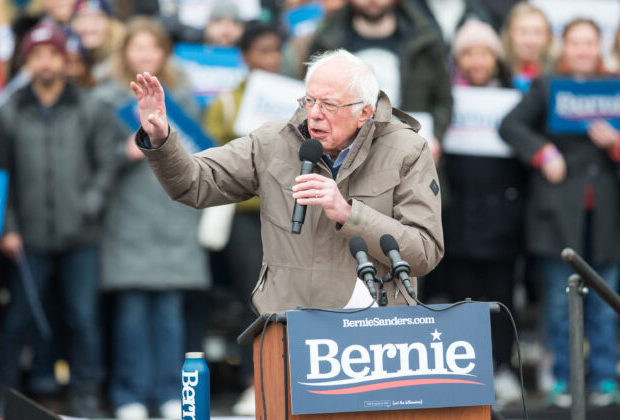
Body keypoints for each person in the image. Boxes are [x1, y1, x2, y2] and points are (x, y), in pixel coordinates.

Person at [131, 48, 443, 314]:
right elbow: (195, 183)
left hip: (373, 333)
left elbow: (424, 251)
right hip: (288, 323)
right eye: (309, 101)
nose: (315, 114)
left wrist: (350, 214)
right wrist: (162, 140)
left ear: (365, 112)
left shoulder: (408, 150)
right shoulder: (272, 141)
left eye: (329, 105)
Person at [499, 18, 620, 408]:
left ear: (600, 47)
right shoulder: (547, 86)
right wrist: (543, 153)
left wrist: (618, 142)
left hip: (607, 216)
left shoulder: (618, 86)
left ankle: (605, 379)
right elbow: (510, 125)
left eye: (590, 43)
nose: (583, 50)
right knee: (559, 303)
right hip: (557, 216)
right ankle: (563, 381)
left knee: (604, 303)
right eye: (575, 43)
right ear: (563, 47)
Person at [0, 21, 121, 418]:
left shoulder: (90, 106)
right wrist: (7, 228)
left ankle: (85, 395)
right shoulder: (8, 112)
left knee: (83, 318)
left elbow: (109, 160)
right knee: (17, 321)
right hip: (27, 236)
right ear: (27, 62)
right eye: (37, 55)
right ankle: (1, 395)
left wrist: (90, 202)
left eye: (52, 55)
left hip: (81, 233)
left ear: (66, 60)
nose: (45, 63)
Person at [92, 16, 209, 420]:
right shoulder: (105, 99)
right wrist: (119, 153)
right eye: (136, 47)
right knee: (131, 313)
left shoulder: (186, 100)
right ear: (125, 52)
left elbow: (203, 161)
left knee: (169, 311)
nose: (144, 54)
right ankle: (129, 395)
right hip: (125, 219)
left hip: (174, 218)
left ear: (164, 52)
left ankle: (169, 392)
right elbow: (88, 162)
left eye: (152, 47)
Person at [428, 17, 524, 407]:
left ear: (496, 57)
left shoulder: (515, 99)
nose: (476, 60)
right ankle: (469, 370)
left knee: (500, 296)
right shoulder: (447, 99)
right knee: (463, 298)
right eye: (468, 53)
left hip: (502, 215)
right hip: (458, 214)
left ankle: (503, 367)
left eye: (483, 52)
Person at [202, 20, 282, 416]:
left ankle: (287, 378)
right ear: (245, 56)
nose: (271, 59)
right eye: (262, 51)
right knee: (255, 296)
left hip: (291, 214)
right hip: (246, 216)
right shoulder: (228, 103)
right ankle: (256, 381)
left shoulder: (297, 99)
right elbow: (211, 155)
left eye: (275, 50)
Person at [307, 0, 453, 163]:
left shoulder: (424, 38)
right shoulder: (327, 38)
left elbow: (443, 100)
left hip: (409, 152)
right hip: (342, 158)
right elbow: (310, 96)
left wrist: (435, 136)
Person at [500, 2, 554, 92]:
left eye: (538, 33)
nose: (530, 41)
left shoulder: (558, 75)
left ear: (548, 37)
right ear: (510, 35)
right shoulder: (496, 74)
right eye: (522, 32)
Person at [69, 0, 125, 82]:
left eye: (96, 19)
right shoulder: (72, 54)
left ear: (110, 22)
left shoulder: (124, 53)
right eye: (82, 19)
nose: (89, 27)